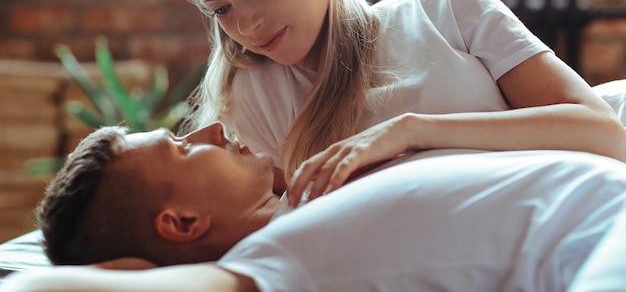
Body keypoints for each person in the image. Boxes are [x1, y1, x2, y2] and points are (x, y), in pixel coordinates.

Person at [167, 0, 626, 199]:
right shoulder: (255, 94)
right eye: (221, 9)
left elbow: (605, 134)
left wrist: (413, 132)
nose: (246, 26)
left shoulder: (445, 6)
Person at [2, 122, 626, 292]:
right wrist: (142, 271)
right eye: (184, 149)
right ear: (183, 224)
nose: (213, 129)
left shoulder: (308, 208)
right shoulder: (272, 263)